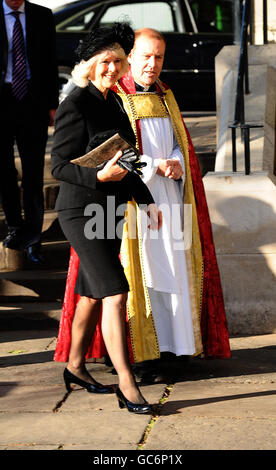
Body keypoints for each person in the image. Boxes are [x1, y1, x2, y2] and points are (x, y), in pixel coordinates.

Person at [54, 27, 231, 381]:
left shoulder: (158, 95)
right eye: (143, 56)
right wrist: (150, 168)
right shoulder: (97, 99)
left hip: (160, 199)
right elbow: (80, 160)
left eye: (159, 57)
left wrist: (175, 161)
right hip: (108, 207)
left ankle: (169, 347)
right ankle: (131, 367)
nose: (151, 64)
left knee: (155, 277)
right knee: (126, 284)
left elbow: (152, 145)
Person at [51, 23, 162, 413]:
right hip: (79, 211)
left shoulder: (114, 101)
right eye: (106, 61)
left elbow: (127, 157)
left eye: (118, 61)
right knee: (115, 293)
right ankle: (127, 385)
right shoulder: (75, 104)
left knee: (89, 293)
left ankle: (76, 366)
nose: (113, 68)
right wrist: (96, 176)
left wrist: (145, 200)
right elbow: (58, 166)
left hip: (111, 209)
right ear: (90, 63)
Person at [0, 0, 59, 263]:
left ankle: (34, 237)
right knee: (4, 171)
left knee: (33, 172)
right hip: (1, 100)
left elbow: (50, 60)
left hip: (33, 101)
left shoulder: (42, 15)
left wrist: (52, 105)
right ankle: (15, 228)